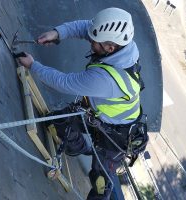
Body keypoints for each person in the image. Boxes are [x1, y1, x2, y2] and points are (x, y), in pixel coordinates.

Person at [19, 7, 144, 200]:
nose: (90, 41)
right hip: (96, 115)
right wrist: (57, 33)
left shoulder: (106, 79)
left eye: (95, 42)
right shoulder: (123, 45)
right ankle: (80, 148)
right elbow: (85, 28)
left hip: (116, 137)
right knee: (55, 123)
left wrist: (33, 65)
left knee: (101, 182)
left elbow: (64, 82)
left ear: (110, 48)